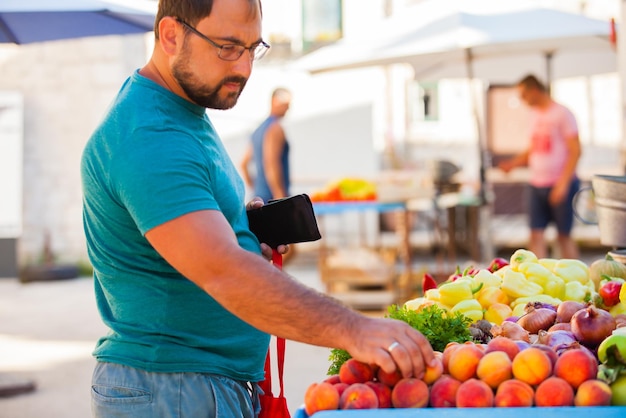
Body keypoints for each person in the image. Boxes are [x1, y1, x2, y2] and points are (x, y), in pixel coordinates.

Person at [80, 1, 435, 417]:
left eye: (253, 48)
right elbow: (224, 272)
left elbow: (201, 250)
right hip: (173, 388)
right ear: (171, 35)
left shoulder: (180, 110)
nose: (245, 68)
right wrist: (355, 328)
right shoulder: (151, 135)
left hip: (190, 382)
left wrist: (242, 233)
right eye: (228, 47)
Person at [498, 74, 582, 259]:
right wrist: (513, 163)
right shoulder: (534, 115)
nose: (522, 100)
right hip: (537, 184)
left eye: (523, 95)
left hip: (561, 184)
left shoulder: (562, 113)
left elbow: (575, 151)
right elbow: (535, 147)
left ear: (534, 90)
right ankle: (537, 280)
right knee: (536, 235)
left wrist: (563, 184)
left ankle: (579, 281)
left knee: (564, 237)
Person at [240, 87, 292, 203]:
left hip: (259, 198)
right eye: (286, 104)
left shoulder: (258, 130)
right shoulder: (275, 128)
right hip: (273, 200)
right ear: (275, 101)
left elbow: (243, 164)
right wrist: (280, 198)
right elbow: (271, 163)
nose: (288, 108)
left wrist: (256, 188)